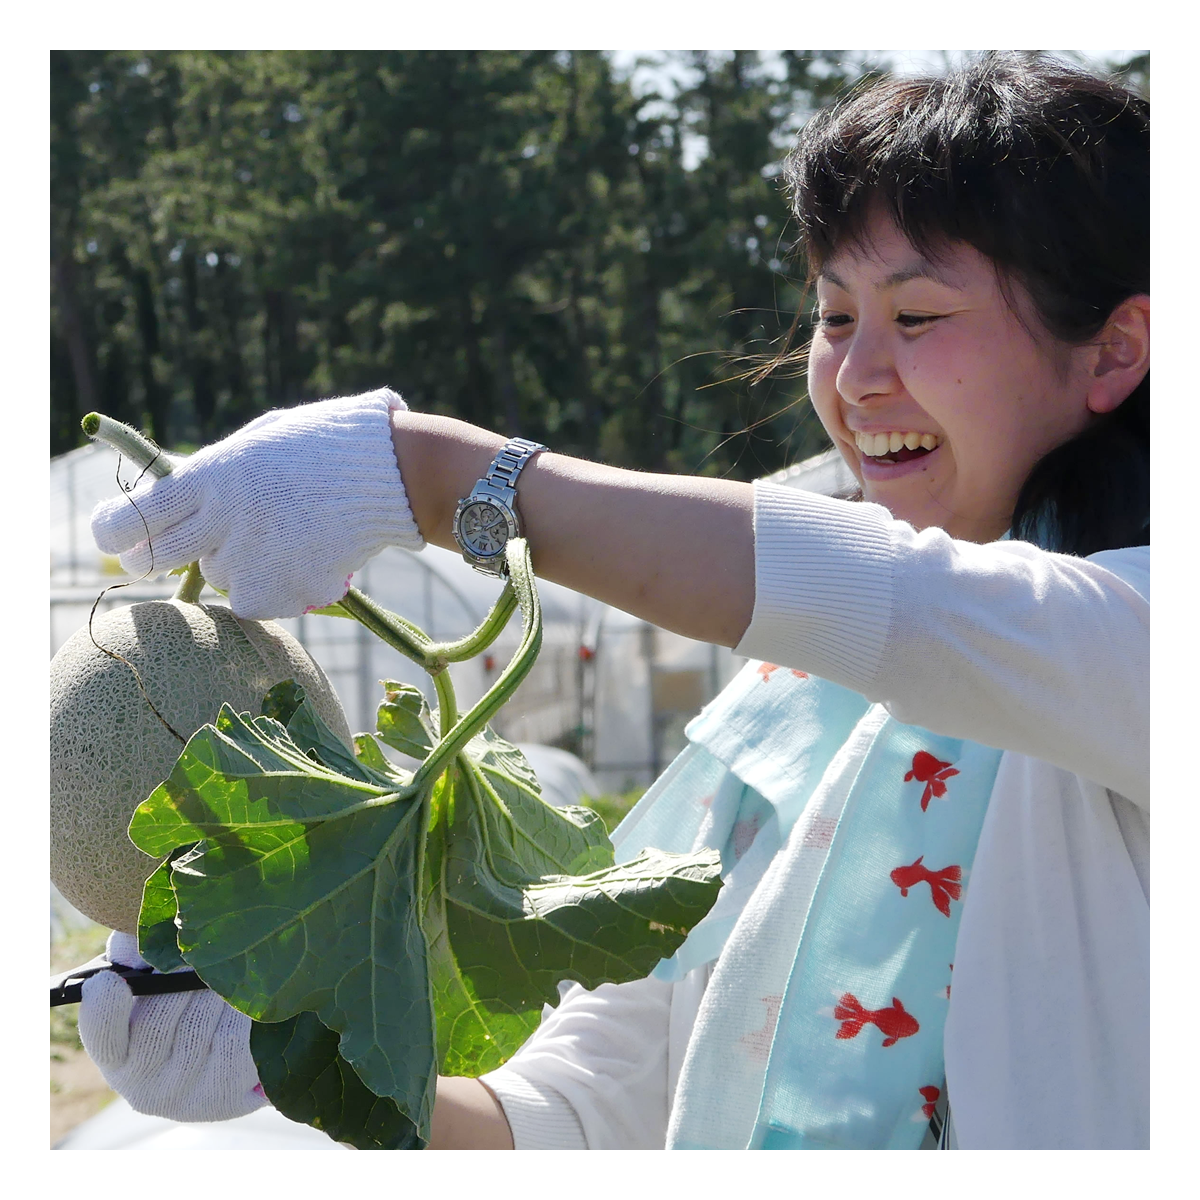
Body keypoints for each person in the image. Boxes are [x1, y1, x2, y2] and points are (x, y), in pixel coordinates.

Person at [78, 52, 1149, 1150]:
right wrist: (274, 1054)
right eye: (834, 317)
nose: (856, 375)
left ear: (1115, 349)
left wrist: (433, 474)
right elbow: (583, 1113)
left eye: (917, 316)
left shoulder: (1149, 645)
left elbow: (905, 602)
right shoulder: (796, 716)